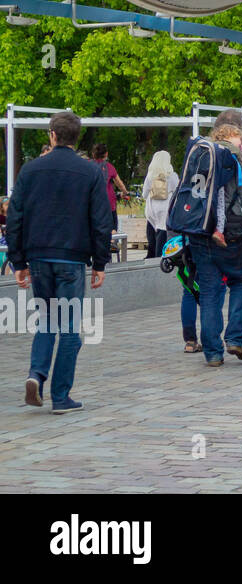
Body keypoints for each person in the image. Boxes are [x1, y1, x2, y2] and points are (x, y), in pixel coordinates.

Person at [9, 111, 112, 414]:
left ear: (51, 135)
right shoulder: (91, 172)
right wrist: (100, 262)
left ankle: (36, 375)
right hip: (72, 259)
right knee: (69, 326)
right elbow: (101, 221)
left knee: (46, 320)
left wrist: (18, 261)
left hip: (39, 257)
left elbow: (15, 217)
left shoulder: (30, 170)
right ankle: (61, 396)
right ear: (76, 136)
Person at [192, 111, 242, 367]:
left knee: (210, 291)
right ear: (238, 131)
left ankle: (212, 353)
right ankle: (235, 337)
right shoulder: (238, 157)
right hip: (231, 233)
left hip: (200, 231)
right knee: (241, 281)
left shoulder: (200, 153)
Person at [143, 150, 191, 350]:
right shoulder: (172, 175)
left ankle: (152, 255)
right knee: (164, 234)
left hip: (151, 208)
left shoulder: (150, 175)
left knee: (153, 234)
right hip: (166, 209)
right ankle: (162, 258)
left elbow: (145, 193)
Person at [91, 142, 129, 234]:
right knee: (112, 227)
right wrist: (125, 192)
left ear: (93, 154)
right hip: (109, 203)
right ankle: (112, 245)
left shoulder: (88, 165)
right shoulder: (109, 167)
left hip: (93, 202)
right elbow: (119, 184)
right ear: (106, 154)